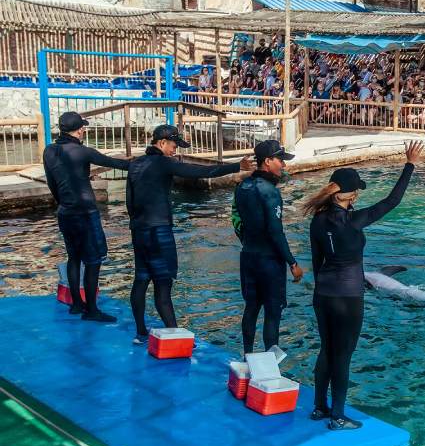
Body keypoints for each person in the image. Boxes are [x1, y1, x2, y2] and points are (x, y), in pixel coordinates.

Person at [304, 141, 424, 431]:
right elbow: (391, 201)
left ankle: (320, 407)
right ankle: (338, 416)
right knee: (343, 356)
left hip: (323, 294)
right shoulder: (354, 221)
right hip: (348, 297)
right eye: (357, 189)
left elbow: (317, 261)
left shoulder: (317, 221)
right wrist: (409, 164)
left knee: (326, 351)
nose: (358, 193)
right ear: (351, 193)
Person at [126, 124, 253, 344]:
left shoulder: (135, 164)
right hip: (159, 230)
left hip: (138, 229)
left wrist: (136, 223)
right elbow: (200, 172)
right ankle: (175, 335)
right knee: (163, 284)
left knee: (141, 279)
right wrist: (235, 166)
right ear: (162, 142)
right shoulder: (164, 163)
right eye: (174, 145)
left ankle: (140, 332)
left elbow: (129, 200)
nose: (176, 150)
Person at [43, 112, 131, 323]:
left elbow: (51, 183)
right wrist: (148, 161)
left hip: (65, 212)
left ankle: (76, 304)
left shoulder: (49, 151)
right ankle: (91, 310)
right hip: (85, 213)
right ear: (80, 129)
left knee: (73, 257)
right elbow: (117, 163)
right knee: (93, 261)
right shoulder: (83, 152)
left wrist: (63, 202)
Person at [233, 140, 304, 356]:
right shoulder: (270, 192)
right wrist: (292, 263)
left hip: (248, 256)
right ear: (267, 161)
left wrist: (248, 243)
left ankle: (247, 356)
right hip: (268, 262)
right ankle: (270, 366)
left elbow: (236, 222)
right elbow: (275, 231)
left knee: (251, 308)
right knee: (273, 313)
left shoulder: (241, 187)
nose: (283, 165)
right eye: (280, 160)